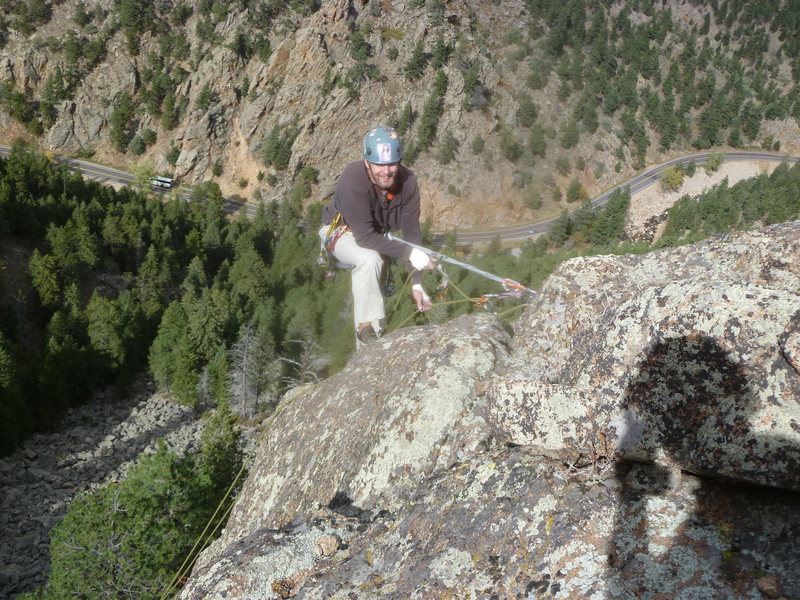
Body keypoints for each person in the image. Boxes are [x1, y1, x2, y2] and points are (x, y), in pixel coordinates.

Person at [320, 126, 435, 346]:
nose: (386, 171)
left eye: (392, 164)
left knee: (374, 285)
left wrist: (417, 283)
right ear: (367, 163)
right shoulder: (353, 183)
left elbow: (411, 232)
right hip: (340, 231)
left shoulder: (408, 183)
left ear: (399, 161)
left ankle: (372, 342)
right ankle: (365, 328)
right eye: (379, 165)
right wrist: (410, 253)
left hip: (373, 236)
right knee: (370, 258)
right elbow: (364, 238)